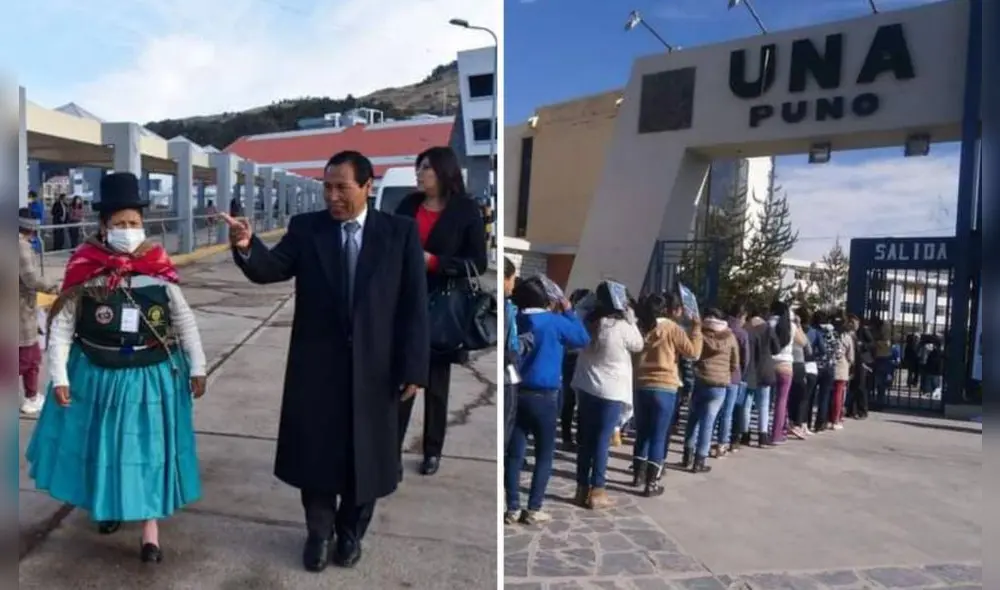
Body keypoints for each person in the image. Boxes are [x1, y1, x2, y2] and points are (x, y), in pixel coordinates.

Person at [223, 150, 430, 572]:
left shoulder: (399, 233)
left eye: (342, 188)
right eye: (327, 187)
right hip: (317, 366)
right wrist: (247, 246)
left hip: (378, 367)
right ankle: (319, 533)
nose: (332, 196)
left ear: (368, 186)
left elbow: (414, 305)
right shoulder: (307, 229)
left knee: (367, 454)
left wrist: (414, 366)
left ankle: (351, 531)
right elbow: (272, 268)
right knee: (317, 453)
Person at [25, 172, 206, 564]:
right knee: (107, 449)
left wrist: (199, 366)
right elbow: (62, 328)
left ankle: (149, 531)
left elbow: (185, 319)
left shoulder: (157, 266)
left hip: (150, 378)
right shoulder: (86, 267)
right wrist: (59, 376)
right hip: (99, 376)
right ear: (104, 227)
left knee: (150, 451)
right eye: (120, 224)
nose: (129, 230)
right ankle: (107, 508)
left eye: (135, 223)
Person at [395, 146, 487, 478]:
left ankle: (432, 450)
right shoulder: (408, 205)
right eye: (418, 168)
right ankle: (391, 450)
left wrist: (434, 262)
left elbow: (478, 263)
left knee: (435, 385)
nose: (419, 174)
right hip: (402, 301)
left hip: (442, 306)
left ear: (444, 173)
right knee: (401, 379)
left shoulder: (465, 210)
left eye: (426, 169)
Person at [505, 277, 588, 524]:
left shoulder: (514, 320)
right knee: (544, 453)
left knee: (514, 453)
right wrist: (569, 310)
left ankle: (512, 507)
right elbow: (582, 339)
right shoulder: (555, 322)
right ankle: (534, 507)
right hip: (546, 395)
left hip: (517, 390)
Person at [571, 281, 644, 510]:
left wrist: (587, 302)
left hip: (586, 387)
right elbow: (639, 344)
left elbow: (575, 313)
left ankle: (581, 488)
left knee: (586, 441)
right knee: (602, 442)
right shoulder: (620, 327)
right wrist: (631, 317)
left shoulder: (587, 321)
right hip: (610, 391)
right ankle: (598, 490)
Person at [633, 293, 702, 494]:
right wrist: (696, 329)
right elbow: (693, 353)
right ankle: (651, 483)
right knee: (658, 435)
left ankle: (637, 474)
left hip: (641, 383)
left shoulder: (641, 327)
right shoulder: (672, 328)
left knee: (642, 433)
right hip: (664, 385)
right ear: (665, 309)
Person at [682, 308, 738, 473]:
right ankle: (700, 460)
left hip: (700, 380)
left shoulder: (699, 333)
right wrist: (726, 373)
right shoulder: (730, 336)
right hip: (719, 384)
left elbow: (690, 354)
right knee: (708, 422)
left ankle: (687, 455)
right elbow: (735, 362)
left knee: (692, 418)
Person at [18, 209, 58, 415]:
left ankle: (32, 396)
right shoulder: (21, 246)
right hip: (20, 311)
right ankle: (31, 398)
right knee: (30, 359)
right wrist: (55, 286)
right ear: (32, 229)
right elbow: (32, 279)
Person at [739, 306, 779, 447]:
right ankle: (762, 436)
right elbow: (776, 348)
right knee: (764, 404)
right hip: (766, 369)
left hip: (750, 370)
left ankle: (745, 434)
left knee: (747, 404)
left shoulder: (746, 328)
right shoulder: (768, 328)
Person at [715, 301, 749, 455]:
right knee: (728, 412)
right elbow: (745, 358)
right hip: (734, 376)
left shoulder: (721, 328)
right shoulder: (741, 333)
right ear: (741, 316)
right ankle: (722, 443)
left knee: (715, 410)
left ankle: (707, 440)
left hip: (718, 373)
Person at [559, 288, 592, 449]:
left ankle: (567, 436)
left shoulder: (569, 314)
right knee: (580, 400)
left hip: (569, 357)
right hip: (580, 357)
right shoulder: (585, 314)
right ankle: (579, 437)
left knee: (569, 400)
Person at [767, 300, 794, 444]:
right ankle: (777, 433)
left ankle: (762, 430)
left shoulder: (768, 324)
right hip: (786, 365)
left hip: (770, 364)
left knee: (766, 401)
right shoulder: (792, 326)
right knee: (782, 401)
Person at [808, 310, 838, 433]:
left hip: (814, 366)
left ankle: (807, 421)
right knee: (824, 396)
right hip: (829, 367)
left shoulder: (813, 331)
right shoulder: (834, 333)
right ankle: (820, 423)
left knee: (810, 396)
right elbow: (839, 351)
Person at [786, 310, 812, 440]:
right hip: (797, 364)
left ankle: (791, 421)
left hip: (791, 363)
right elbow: (805, 344)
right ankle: (796, 423)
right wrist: (799, 326)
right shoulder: (794, 330)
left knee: (792, 395)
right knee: (800, 395)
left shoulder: (786, 329)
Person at [847, 314, 874, 419]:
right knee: (852, 386)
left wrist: (862, 344)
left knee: (861, 386)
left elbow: (872, 343)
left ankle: (863, 410)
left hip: (862, 360)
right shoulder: (849, 332)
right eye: (850, 323)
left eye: (854, 323)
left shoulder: (863, 331)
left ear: (858, 322)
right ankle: (851, 410)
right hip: (853, 360)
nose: (852, 325)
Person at [831, 316, 855, 429]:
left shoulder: (831, 335)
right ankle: (836, 418)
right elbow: (851, 356)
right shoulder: (847, 337)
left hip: (830, 365)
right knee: (839, 394)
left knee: (829, 394)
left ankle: (828, 418)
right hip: (842, 367)